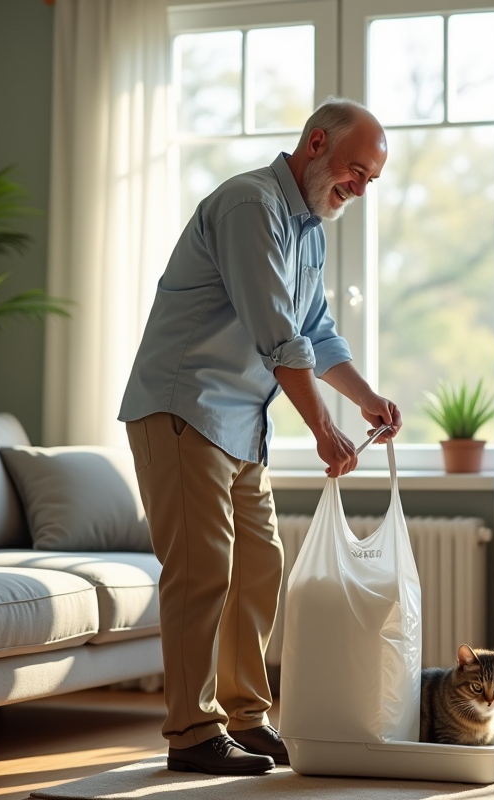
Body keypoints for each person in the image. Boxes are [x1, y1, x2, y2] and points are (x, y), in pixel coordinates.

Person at [119, 97, 402, 776]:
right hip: (185, 405)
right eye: (353, 171)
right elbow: (277, 333)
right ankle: (192, 731)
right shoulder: (251, 206)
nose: (358, 189)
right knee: (202, 572)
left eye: (370, 180)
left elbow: (318, 333)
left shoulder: (312, 228)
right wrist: (324, 428)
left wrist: (365, 400)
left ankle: (246, 717)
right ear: (315, 144)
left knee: (258, 566)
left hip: (241, 423)